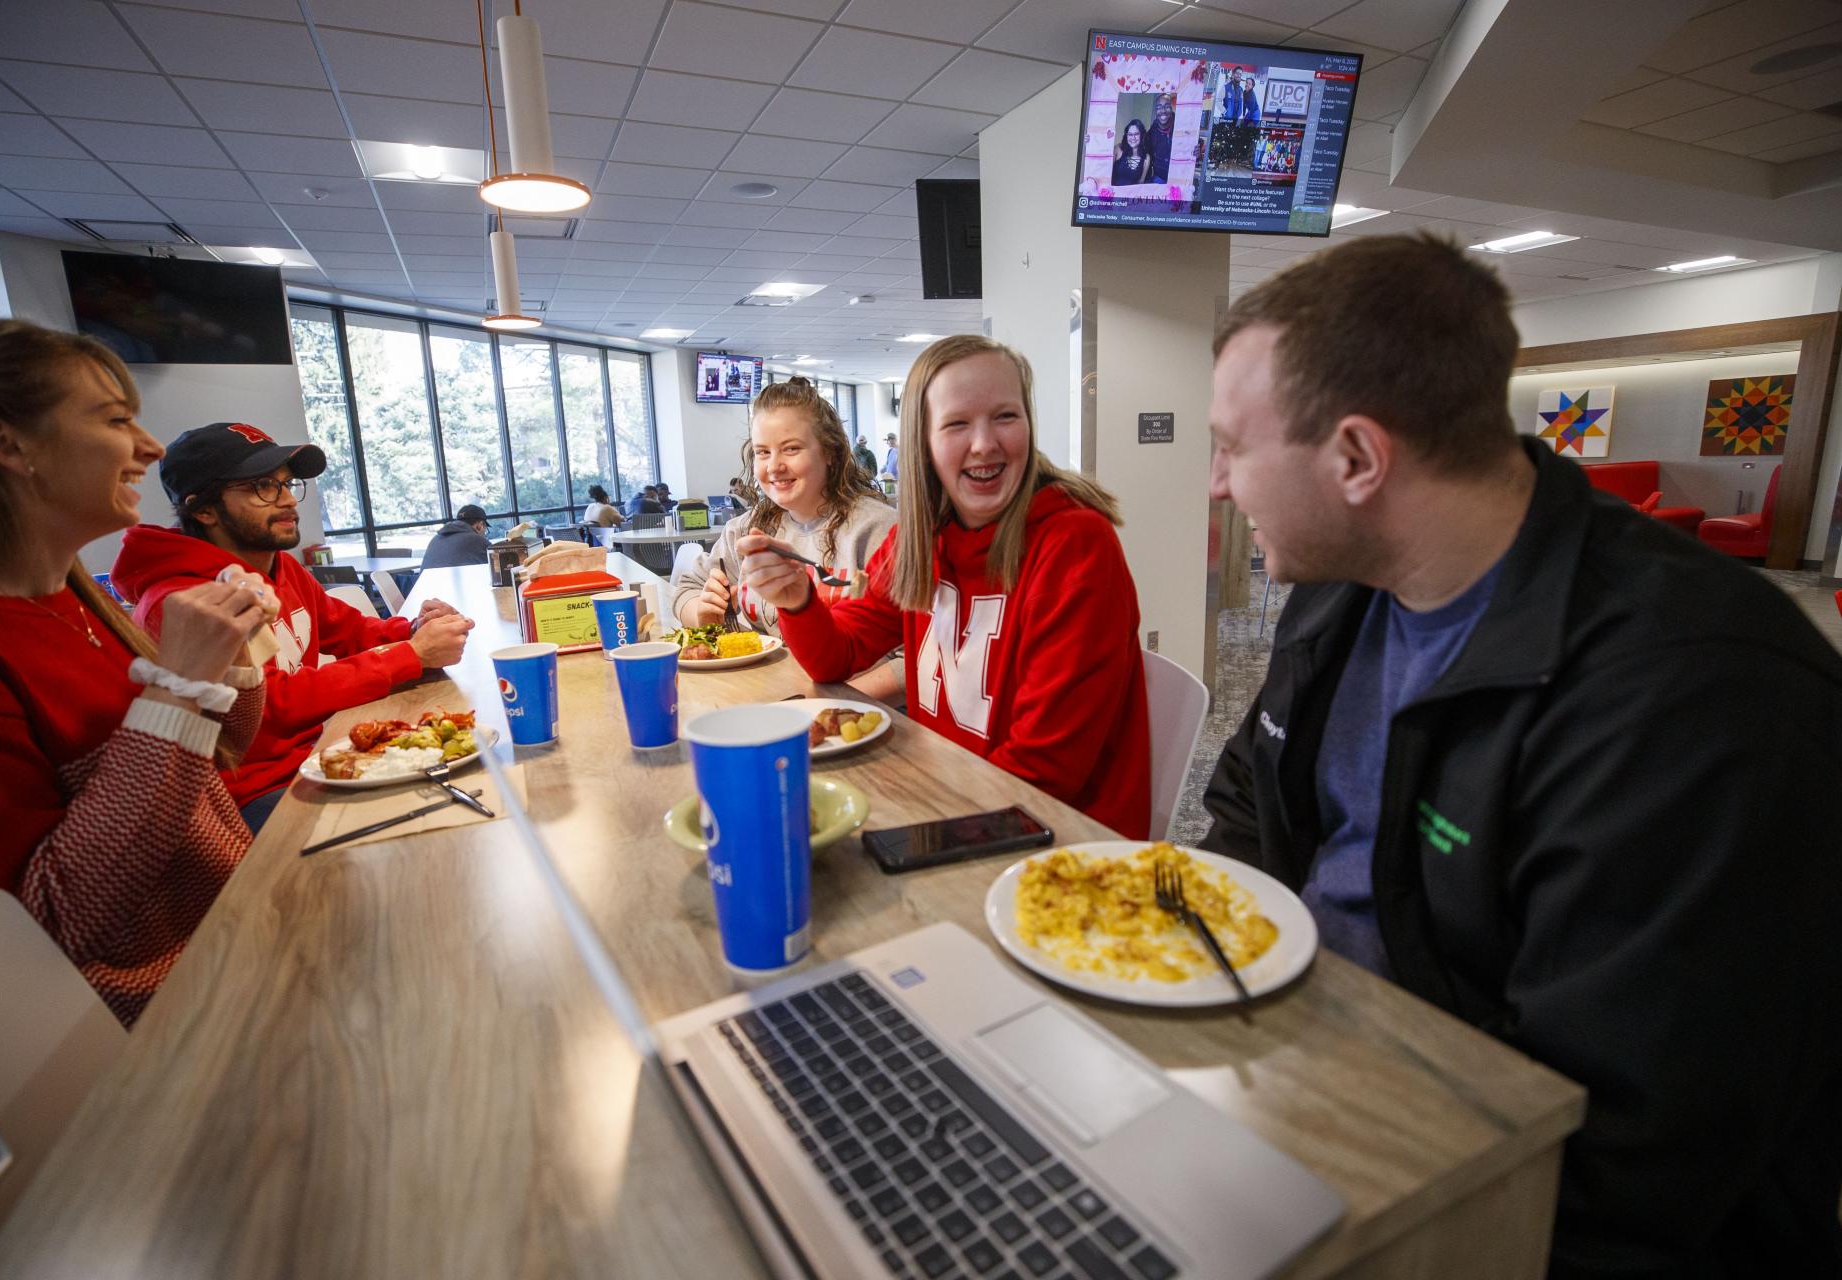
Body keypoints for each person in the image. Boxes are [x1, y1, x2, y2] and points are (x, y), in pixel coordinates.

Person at [1200, 233, 1842, 1277]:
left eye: (1232, 446)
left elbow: (1621, 1170)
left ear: (1358, 459)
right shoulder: (1340, 583)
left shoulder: (1702, 704)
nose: (1219, 484)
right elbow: (1246, 797)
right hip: (1307, 1080)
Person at [0, 319, 276, 1026]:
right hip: (158, 1020)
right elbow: (54, 926)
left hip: (238, 940)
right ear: (6, 444)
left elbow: (221, 756)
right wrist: (174, 688)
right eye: (118, 420)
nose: (149, 448)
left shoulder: (74, 598)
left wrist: (226, 655)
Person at [739, 338, 1151, 837]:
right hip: (956, 804)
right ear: (924, 443)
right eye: (957, 424)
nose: (984, 443)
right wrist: (797, 602)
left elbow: (1046, 774)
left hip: (1055, 844)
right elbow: (836, 658)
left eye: (1005, 416)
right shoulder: (921, 537)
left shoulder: (1076, 544)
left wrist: (913, 815)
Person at [113, 424, 474, 832]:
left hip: (321, 752)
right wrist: (411, 654)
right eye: (262, 487)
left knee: (463, 783)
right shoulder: (183, 602)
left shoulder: (278, 564)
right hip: (254, 794)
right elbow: (271, 708)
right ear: (204, 510)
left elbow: (348, 628)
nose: (287, 500)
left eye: (287, 484)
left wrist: (412, 630)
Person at [672, 377, 895, 637]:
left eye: (791, 449)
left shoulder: (878, 530)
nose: (774, 467)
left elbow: (907, 655)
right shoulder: (746, 529)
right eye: (763, 452)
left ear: (830, 452)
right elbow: (685, 589)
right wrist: (703, 610)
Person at [419, 503, 490, 570]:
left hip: (424, 582)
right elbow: (498, 566)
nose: (484, 534)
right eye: (485, 530)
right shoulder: (477, 540)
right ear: (480, 526)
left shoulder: (436, 538)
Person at [1111, 119, 1152, 186]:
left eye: (1136, 134)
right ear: (1126, 136)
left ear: (1141, 135)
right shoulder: (1118, 149)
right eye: (1130, 134)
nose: (1133, 137)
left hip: (1131, 195)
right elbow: (1105, 170)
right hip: (1113, 194)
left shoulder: (1146, 157)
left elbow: (1140, 183)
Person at [1146, 94, 1176, 183]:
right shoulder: (1152, 133)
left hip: (1180, 177)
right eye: (1159, 107)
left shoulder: (1181, 127)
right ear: (1156, 110)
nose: (1163, 111)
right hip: (1159, 178)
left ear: (1171, 108)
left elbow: (1190, 150)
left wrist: (1195, 153)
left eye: (1167, 106)